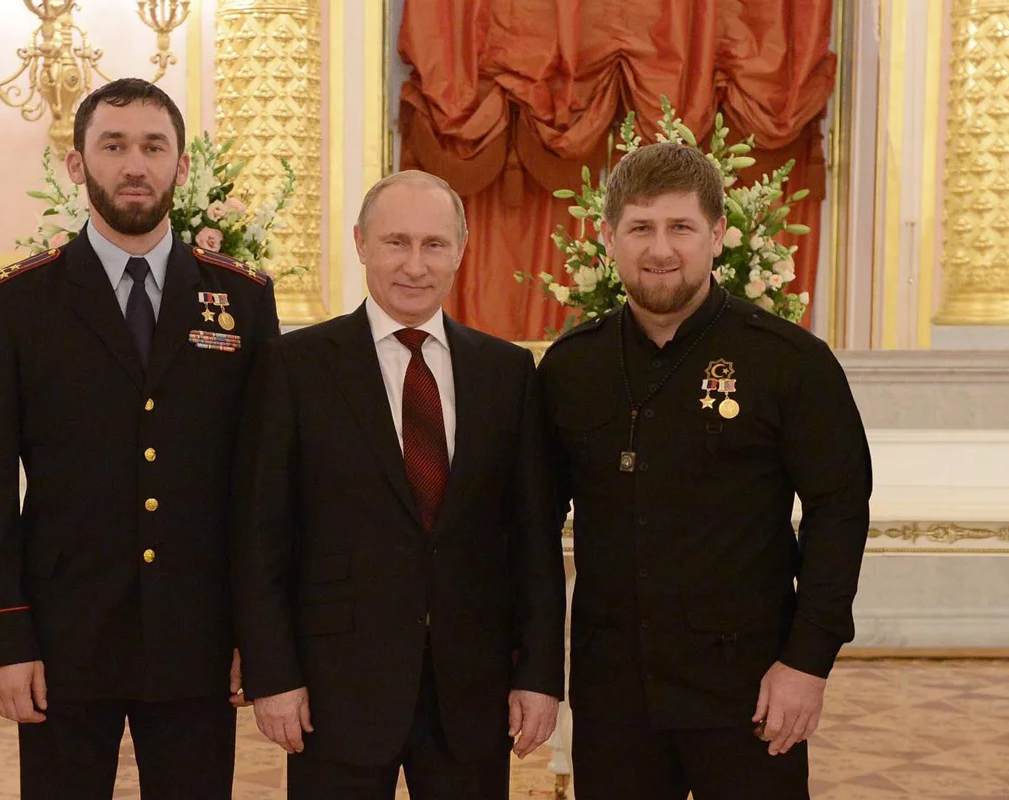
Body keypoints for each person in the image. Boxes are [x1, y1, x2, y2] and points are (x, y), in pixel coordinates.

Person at [0, 78, 279, 798]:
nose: (135, 165)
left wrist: (256, 633)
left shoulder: (243, 299)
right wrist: (3, 640)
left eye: (154, 147)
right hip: (62, 636)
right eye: (114, 145)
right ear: (77, 164)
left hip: (199, 633)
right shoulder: (16, 302)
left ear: (182, 167)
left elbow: (262, 486)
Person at [536, 142, 871, 799]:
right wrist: (534, 669)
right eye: (641, 227)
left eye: (681, 227)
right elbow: (532, 527)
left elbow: (838, 513)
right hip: (614, 699)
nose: (660, 249)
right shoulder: (571, 367)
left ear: (716, 235)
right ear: (608, 237)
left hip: (750, 691)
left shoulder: (789, 362)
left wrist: (807, 663)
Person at [230, 170, 566, 799]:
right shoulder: (295, 367)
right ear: (361, 243)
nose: (415, 265)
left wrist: (540, 676)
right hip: (336, 689)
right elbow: (260, 535)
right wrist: (273, 675)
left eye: (434, 244)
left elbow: (534, 541)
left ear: (460, 251)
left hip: (472, 692)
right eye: (396, 242)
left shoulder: (506, 372)